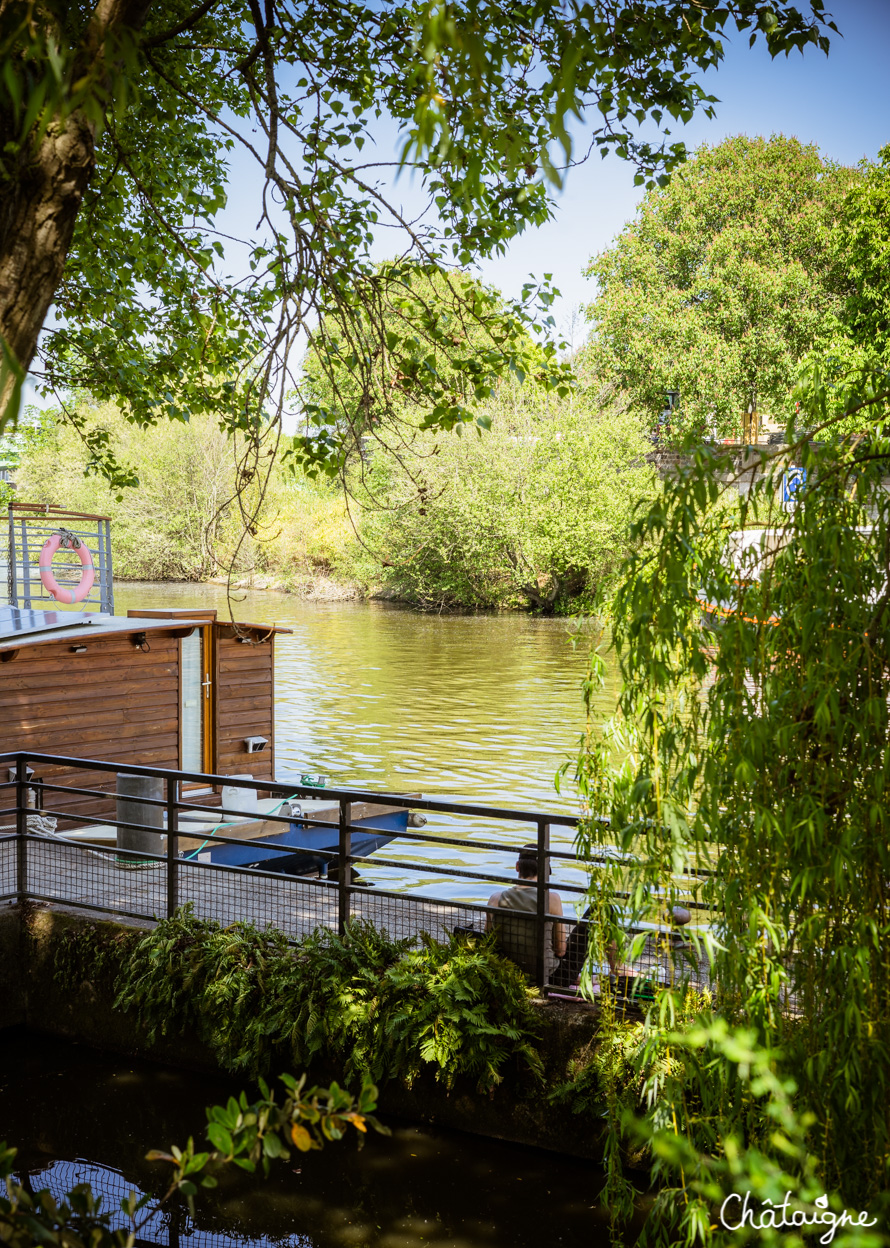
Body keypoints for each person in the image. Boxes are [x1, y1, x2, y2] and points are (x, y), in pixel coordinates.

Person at [486, 844, 567, 980]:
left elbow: (489, 941)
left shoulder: (495, 899)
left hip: (508, 974)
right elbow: (560, 950)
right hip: (547, 976)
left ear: (517, 866)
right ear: (544, 870)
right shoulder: (552, 899)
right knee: (600, 912)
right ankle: (615, 974)